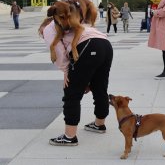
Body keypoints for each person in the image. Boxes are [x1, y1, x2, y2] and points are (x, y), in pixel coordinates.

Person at [39, 16, 113, 146]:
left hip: (87, 46)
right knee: (99, 87)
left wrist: (67, 72)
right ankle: (99, 124)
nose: (43, 35)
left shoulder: (49, 28)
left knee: (72, 93)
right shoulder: (72, 22)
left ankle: (69, 136)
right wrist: (85, 79)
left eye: (41, 33)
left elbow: (59, 53)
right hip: (105, 45)